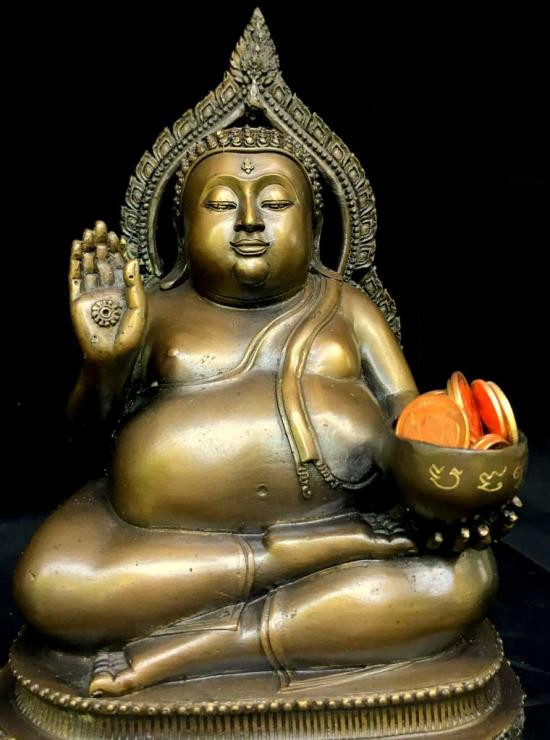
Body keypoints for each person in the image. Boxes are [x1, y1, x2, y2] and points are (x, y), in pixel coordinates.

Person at [14, 127, 496, 696]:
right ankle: (304, 558)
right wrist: (105, 365)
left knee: (462, 577)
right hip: (170, 549)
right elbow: (84, 446)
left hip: (356, 518)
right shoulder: (154, 312)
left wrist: (458, 485)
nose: (248, 220)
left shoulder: (347, 307)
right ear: (181, 230)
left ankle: (213, 645)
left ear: (314, 228)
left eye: (276, 202)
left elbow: (412, 421)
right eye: (221, 204)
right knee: (53, 583)